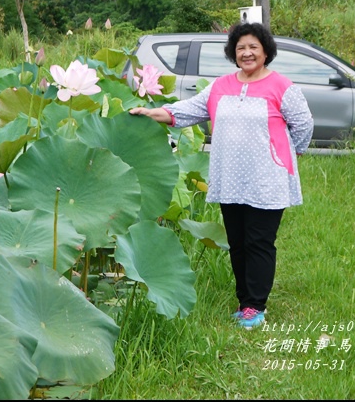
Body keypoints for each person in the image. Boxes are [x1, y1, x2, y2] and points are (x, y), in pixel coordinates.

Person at [129, 21, 314, 330]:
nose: (247, 53)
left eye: (253, 46)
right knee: (238, 242)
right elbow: (184, 111)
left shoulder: (282, 87)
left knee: (259, 241)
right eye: (241, 48)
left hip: (267, 178)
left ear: (266, 50)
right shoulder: (220, 86)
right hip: (230, 177)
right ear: (233, 53)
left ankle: (256, 306)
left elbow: (304, 125)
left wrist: (283, 156)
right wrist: (151, 112)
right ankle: (245, 303)